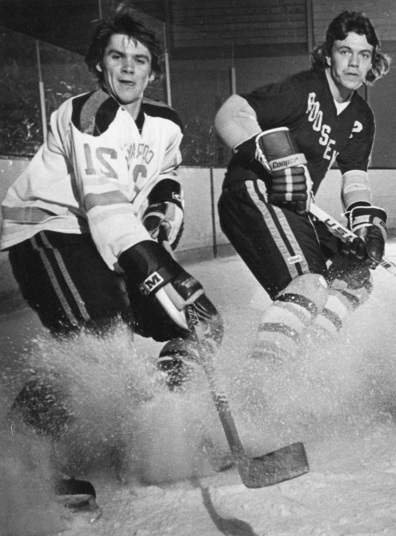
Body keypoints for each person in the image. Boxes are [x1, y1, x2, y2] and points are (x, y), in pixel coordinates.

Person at [0, 5, 222, 501]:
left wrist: (166, 206)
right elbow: (103, 207)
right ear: (99, 65)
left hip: (110, 240)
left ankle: (163, 429)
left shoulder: (166, 123)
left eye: (139, 59)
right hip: (49, 234)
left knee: (204, 322)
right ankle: (15, 463)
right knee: (100, 333)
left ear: (153, 70)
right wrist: (153, 266)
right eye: (116, 56)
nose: (127, 67)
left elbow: (166, 176)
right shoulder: (89, 114)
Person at [214, 11, 390, 366]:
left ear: (373, 59)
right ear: (328, 54)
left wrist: (364, 222)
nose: (354, 63)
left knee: (354, 277)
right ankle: (261, 377)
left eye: (364, 54)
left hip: (293, 207)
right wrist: (278, 160)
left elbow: (355, 175)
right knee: (309, 285)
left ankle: (303, 356)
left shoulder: (361, 115)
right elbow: (231, 113)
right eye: (345, 51)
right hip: (253, 192)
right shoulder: (302, 89)